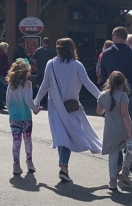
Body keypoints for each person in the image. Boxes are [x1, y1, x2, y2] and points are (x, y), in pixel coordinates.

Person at [32, 38, 103, 184]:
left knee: (61, 136)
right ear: (72, 49)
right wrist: (101, 98)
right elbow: (88, 83)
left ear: (57, 49)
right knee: (66, 136)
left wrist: (36, 102)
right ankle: (63, 167)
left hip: (55, 107)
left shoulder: (51, 64)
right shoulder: (77, 65)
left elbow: (45, 85)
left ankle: (63, 166)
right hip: (71, 107)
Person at [97, 28, 132, 156]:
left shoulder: (106, 54)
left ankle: (117, 158)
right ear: (126, 38)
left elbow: (102, 75)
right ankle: (131, 156)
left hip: (112, 95)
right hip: (131, 95)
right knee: (131, 126)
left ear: (114, 36)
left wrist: (107, 91)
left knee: (114, 126)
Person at [97, 71, 132, 191]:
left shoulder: (102, 95)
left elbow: (99, 111)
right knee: (131, 148)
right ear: (123, 83)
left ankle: (112, 182)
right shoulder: (123, 96)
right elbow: (125, 114)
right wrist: (129, 131)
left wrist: (107, 110)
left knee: (113, 155)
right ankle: (124, 171)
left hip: (109, 129)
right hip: (122, 128)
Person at [5, 59, 36, 176]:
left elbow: (7, 101)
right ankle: (29, 162)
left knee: (16, 140)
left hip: (14, 116)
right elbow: (28, 100)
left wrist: (11, 111)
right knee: (27, 139)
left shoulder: (11, 85)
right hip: (25, 116)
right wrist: (35, 109)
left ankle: (16, 164)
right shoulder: (28, 84)